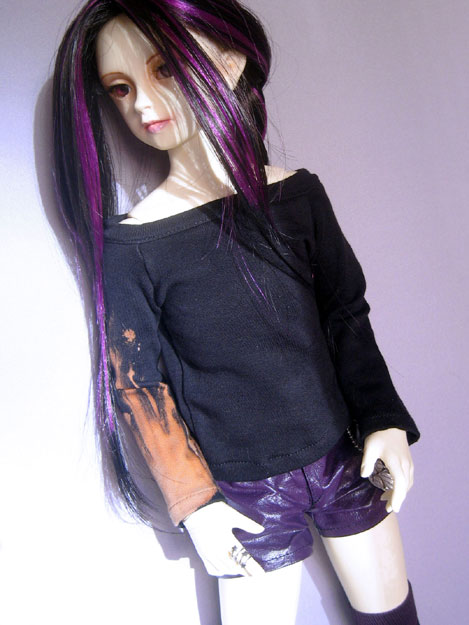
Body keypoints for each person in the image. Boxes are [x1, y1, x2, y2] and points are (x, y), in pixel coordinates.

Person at [52, 1, 421, 623]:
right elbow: (138, 384)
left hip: (344, 454)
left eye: (165, 69)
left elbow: (345, 313)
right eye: (120, 88)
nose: (143, 105)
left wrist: (383, 418)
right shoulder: (133, 244)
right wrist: (194, 501)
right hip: (246, 494)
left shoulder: (297, 195)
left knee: (392, 613)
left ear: (229, 61)